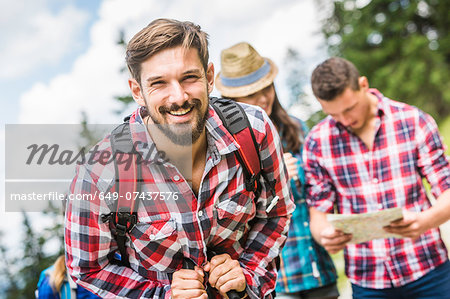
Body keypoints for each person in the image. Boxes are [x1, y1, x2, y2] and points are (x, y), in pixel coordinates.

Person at [64, 18, 294, 299]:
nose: (179, 97)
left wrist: (247, 274)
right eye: (159, 83)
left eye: (189, 77)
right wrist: (162, 295)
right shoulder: (100, 171)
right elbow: (88, 268)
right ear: (138, 91)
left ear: (209, 77)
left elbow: (276, 214)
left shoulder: (254, 130)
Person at [304, 57, 450, 298]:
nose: (345, 120)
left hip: (429, 269)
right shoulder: (317, 142)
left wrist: (426, 220)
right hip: (367, 280)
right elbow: (318, 216)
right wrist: (325, 236)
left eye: (349, 108)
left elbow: (446, 191)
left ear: (363, 84)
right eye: (334, 114)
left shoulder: (413, 121)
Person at [215, 42, 339, 299]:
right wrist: (273, 178)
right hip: (276, 280)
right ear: (233, 100)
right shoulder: (226, 146)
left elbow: (319, 191)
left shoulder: (297, 128)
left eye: (266, 88)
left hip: (318, 267)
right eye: (251, 94)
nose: (262, 98)